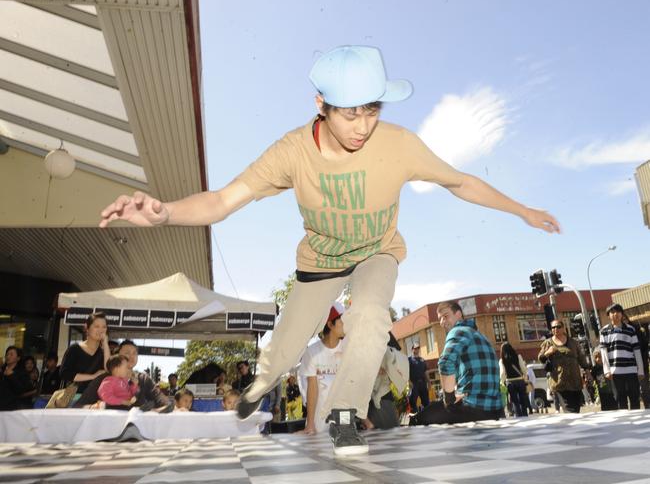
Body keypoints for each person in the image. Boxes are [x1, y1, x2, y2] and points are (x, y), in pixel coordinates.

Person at [99, 45, 559, 455]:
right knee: (284, 349)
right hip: (319, 265)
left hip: (376, 253)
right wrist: (165, 212)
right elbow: (221, 200)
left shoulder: (399, 144)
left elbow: (460, 181)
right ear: (321, 105)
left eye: (372, 111)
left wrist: (521, 209)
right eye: (350, 114)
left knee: (372, 315)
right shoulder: (292, 153)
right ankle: (263, 380)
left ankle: (344, 414)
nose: (363, 127)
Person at [411, 301, 503, 425]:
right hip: (496, 410)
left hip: (475, 410)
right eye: (440, 319)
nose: (442, 322)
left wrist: (449, 400)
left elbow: (445, 362)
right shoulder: (481, 337)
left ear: (458, 314)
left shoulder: (458, 331)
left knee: (419, 419)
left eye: (446, 316)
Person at [75, 340, 171, 412]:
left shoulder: (143, 379)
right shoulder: (104, 379)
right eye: (127, 353)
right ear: (117, 357)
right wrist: (94, 407)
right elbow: (78, 405)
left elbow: (160, 398)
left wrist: (173, 406)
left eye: (134, 353)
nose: (131, 356)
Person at [299, 305, 346, 435]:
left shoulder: (348, 349)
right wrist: (310, 424)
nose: (346, 325)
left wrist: (365, 420)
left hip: (344, 422)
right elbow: (312, 388)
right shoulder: (312, 352)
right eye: (342, 321)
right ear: (330, 324)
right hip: (319, 424)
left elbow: (351, 386)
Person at [538, 319, 589, 413]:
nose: (555, 329)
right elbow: (541, 358)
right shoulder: (548, 343)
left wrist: (587, 372)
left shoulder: (573, 342)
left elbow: (581, 359)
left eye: (558, 327)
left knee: (576, 409)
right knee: (569, 409)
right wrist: (548, 353)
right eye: (553, 327)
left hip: (575, 382)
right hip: (559, 382)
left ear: (563, 328)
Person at [599, 304, 644, 410]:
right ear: (608, 315)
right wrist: (606, 370)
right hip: (615, 372)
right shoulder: (604, 331)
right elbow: (603, 352)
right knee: (620, 400)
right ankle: (626, 425)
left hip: (631, 370)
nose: (616, 314)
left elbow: (636, 350)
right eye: (612, 312)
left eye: (618, 311)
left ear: (622, 314)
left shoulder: (631, 330)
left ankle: (638, 424)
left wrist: (640, 370)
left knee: (635, 399)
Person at [60, 312, 110, 393]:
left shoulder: (104, 352)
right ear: (87, 327)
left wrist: (105, 344)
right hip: (76, 397)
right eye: (96, 326)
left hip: (97, 398)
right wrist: (92, 376)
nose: (101, 330)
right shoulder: (74, 349)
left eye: (104, 327)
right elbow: (64, 373)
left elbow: (108, 370)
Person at [499, 342, 529, 417]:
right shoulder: (518, 356)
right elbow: (524, 369)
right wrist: (525, 377)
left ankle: (519, 416)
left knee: (515, 402)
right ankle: (525, 416)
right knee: (523, 401)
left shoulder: (502, 360)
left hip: (510, 382)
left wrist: (502, 382)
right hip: (520, 381)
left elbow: (502, 373)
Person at [0, 346, 33, 410]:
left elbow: (21, 390)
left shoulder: (22, 372)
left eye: (11, 354)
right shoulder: (2, 370)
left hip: (12, 407)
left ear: (18, 358)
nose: (8, 356)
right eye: (7, 354)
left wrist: (11, 376)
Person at [591, 346, 617, 411]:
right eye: (596, 357)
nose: (598, 359)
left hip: (612, 392)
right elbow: (593, 379)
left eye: (600, 357)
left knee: (615, 408)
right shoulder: (595, 369)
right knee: (605, 409)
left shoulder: (609, 366)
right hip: (603, 394)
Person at [408, 344, 430, 412]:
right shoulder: (409, 360)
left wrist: (429, 382)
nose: (417, 349)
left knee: (426, 401)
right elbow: (406, 371)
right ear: (412, 349)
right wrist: (409, 381)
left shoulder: (422, 360)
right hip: (414, 384)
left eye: (418, 348)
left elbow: (425, 372)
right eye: (415, 348)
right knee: (412, 401)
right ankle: (414, 416)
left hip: (423, 383)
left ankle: (427, 416)